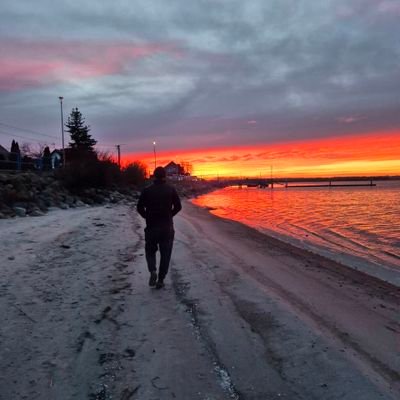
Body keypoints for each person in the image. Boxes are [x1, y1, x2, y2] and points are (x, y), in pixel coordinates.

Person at [137, 166, 182, 289]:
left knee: (150, 251)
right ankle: (161, 279)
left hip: (151, 227)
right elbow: (178, 206)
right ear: (165, 176)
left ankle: (152, 270)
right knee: (165, 254)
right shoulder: (171, 189)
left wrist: (147, 217)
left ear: (154, 176)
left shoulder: (146, 190)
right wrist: (169, 215)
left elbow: (139, 207)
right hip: (167, 227)